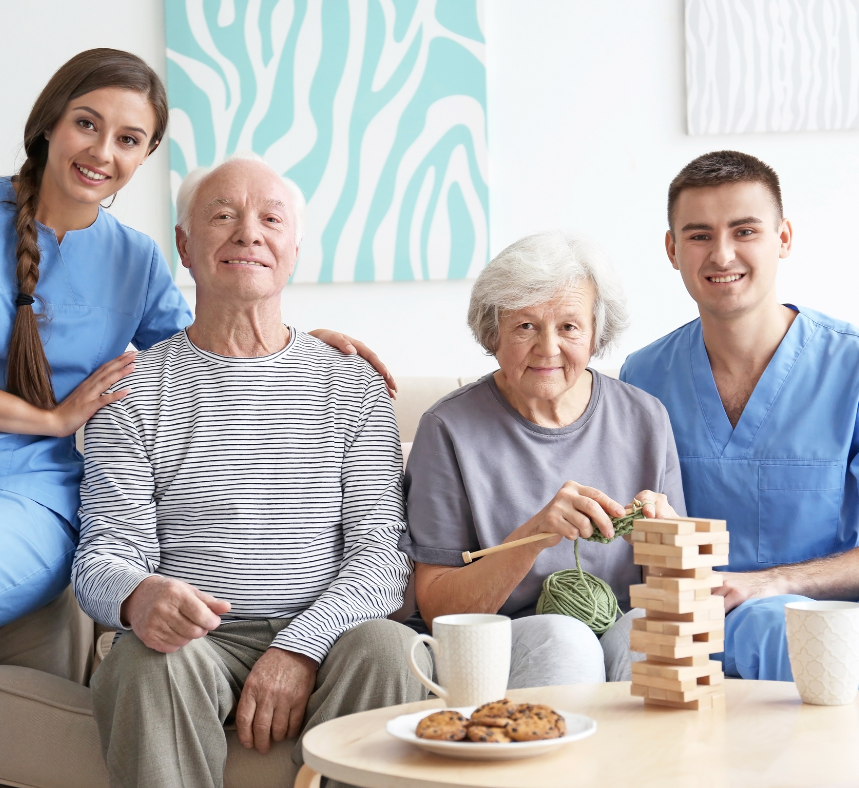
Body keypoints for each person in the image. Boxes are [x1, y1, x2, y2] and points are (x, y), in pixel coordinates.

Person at [0, 49, 391, 788]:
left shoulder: (136, 262)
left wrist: (315, 347)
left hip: (21, 497)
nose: (103, 151)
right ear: (49, 123)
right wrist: (46, 419)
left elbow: (224, 334)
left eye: (130, 139)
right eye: (87, 123)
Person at [73, 152, 428, 788]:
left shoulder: (352, 385)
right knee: (141, 661)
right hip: (194, 648)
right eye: (222, 217)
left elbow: (383, 559)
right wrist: (136, 595)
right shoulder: (134, 393)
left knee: (388, 647)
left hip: (330, 639)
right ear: (185, 245)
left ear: (294, 248)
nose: (248, 233)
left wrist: (300, 645)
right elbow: (102, 559)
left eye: (270, 218)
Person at [400, 231, 686, 686]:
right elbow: (437, 610)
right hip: (512, 638)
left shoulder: (645, 417)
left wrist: (670, 540)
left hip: (620, 625)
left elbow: (679, 592)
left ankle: (653, 759)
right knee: (564, 637)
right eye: (525, 326)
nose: (548, 348)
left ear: (596, 334)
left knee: (653, 631)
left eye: (569, 327)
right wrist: (534, 535)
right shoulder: (448, 429)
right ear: (493, 334)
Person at [620, 150, 859, 682]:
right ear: (672, 249)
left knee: (772, 628)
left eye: (745, 230)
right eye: (699, 235)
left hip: (817, 629)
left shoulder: (851, 368)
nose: (722, 254)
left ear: (784, 239)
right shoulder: (643, 375)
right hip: (686, 626)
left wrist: (767, 584)